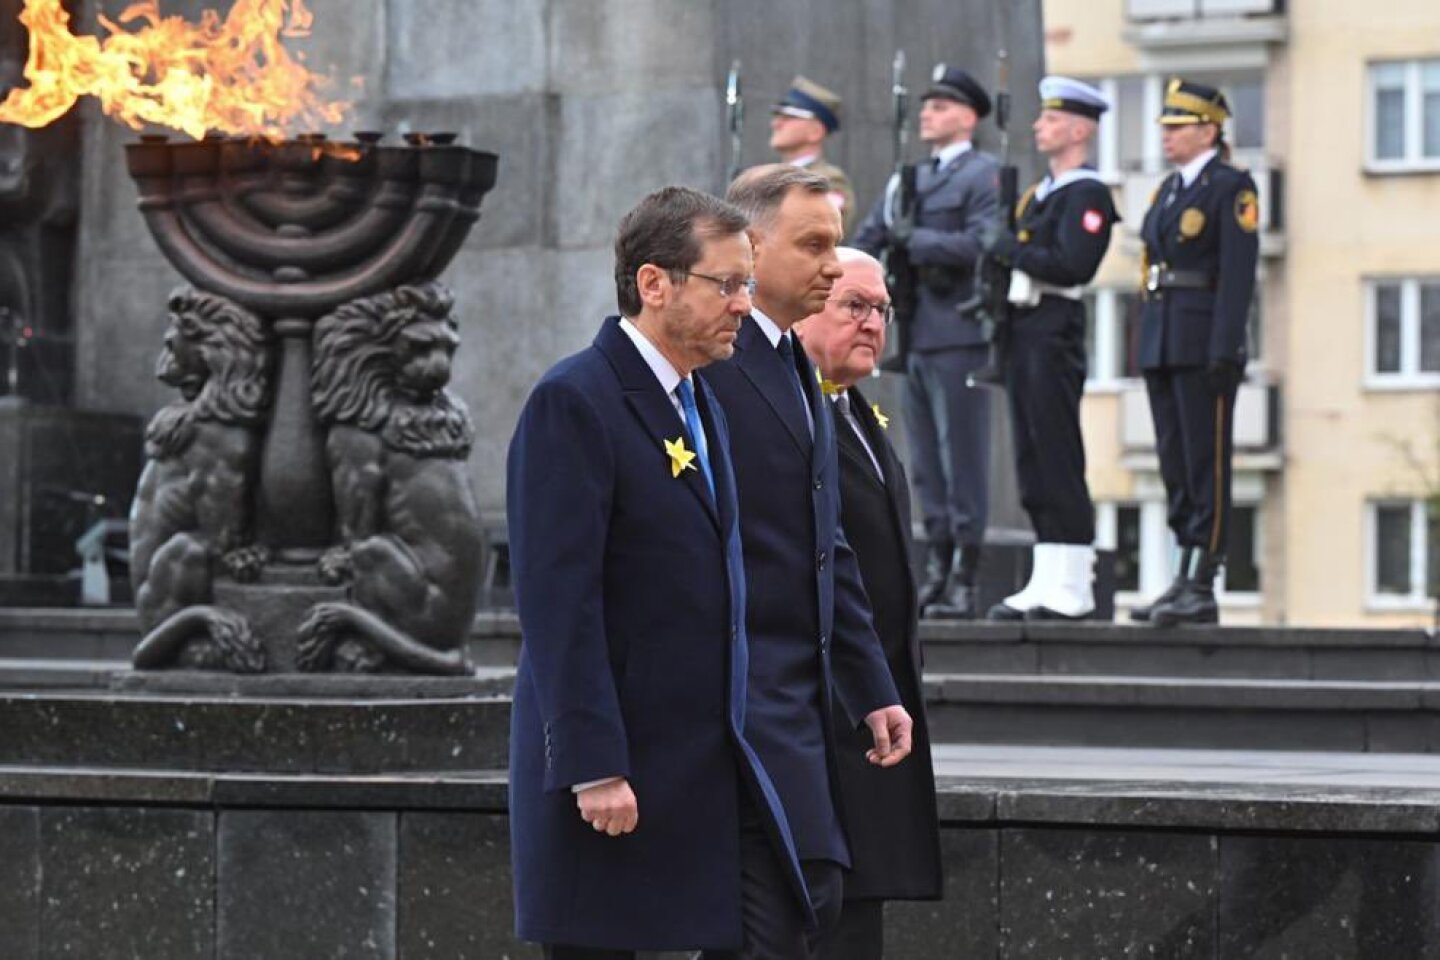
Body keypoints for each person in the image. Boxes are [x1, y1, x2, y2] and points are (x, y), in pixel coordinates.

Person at [506, 186, 819, 958]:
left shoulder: (697, 401)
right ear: (655, 284)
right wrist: (592, 766)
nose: (745, 305)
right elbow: (558, 603)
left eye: (748, 284)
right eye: (728, 284)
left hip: (704, 767)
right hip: (614, 775)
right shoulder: (575, 401)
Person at [702, 164, 915, 957]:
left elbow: (829, 551)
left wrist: (872, 687)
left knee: (806, 906)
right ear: (752, 248)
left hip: (800, 709)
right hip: (735, 709)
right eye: (816, 244)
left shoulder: (797, 370)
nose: (834, 264)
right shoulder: (714, 367)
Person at [793, 248, 942, 960]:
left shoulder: (855, 410)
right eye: (853, 305)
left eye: (881, 310)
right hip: (819, 717)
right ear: (804, 307)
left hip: (873, 716)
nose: (872, 323)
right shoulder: (791, 412)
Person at [853, 64, 999, 620]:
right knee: (926, 465)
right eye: (926, 107)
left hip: (959, 332)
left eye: (939, 107)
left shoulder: (982, 175)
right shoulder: (906, 181)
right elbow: (869, 240)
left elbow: (983, 243)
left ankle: (966, 571)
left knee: (962, 457)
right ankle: (936, 566)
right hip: (913, 334)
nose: (926, 115)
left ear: (967, 116)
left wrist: (921, 241)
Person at [980, 77, 1119, 621]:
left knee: (1057, 452)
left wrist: (1009, 248)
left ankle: (1075, 580)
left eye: (1053, 119)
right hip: (1024, 327)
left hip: (1055, 323)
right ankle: (1047, 573)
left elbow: (1073, 264)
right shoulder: (1040, 193)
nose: (1040, 126)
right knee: (1032, 455)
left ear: (1080, 129)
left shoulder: (1087, 194)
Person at [1130, 78, 1260, 627]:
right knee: (1176, 465)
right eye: (1164, 126)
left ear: (1209, 129)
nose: (1166, 135)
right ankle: (1181, 575)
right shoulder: (1169, 190)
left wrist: (1226, 346)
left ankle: (1202, 580)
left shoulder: (1231, 187)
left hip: (1204, 340)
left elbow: (1237, 274)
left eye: (1177, 126)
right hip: (1165, 338)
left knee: (1207, 465)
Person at [768, 76, 858, 237]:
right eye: (777, 117)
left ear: (815, 132)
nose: (776, 124)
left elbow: (820, 234)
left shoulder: (829, 180)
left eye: (789, 117)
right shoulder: (769, 177)